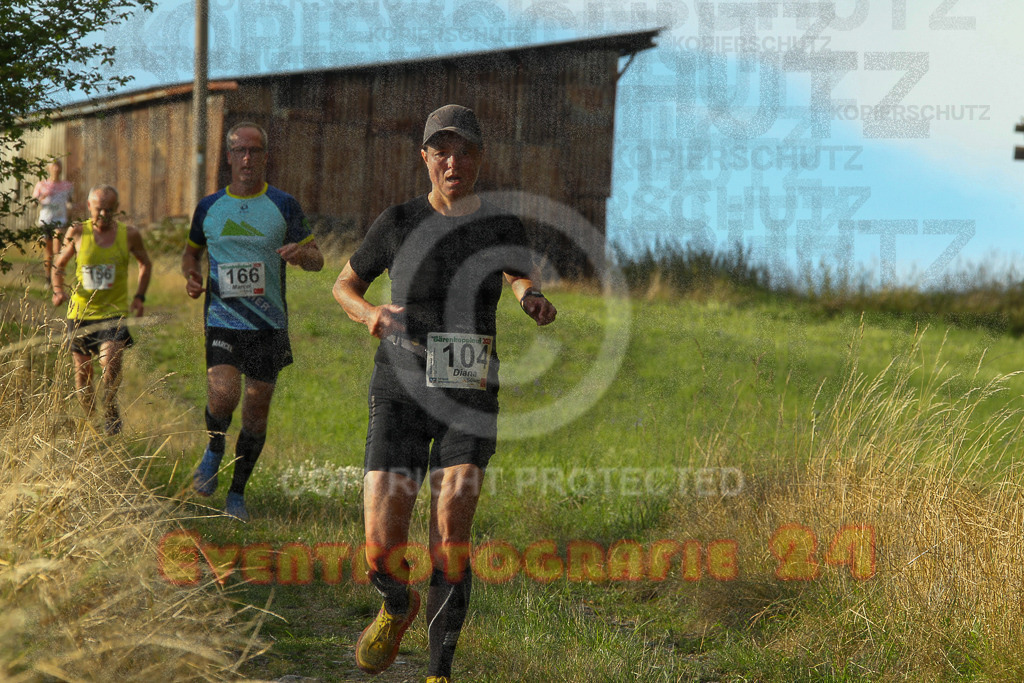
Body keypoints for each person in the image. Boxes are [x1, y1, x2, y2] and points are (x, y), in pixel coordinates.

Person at [333, 104, 556, 683]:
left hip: (470, 390)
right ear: (425, 158)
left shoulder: (501, 223)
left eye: (464, 151)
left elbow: (517, 272)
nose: (452, 162)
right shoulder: (399, 221)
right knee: (381, 547)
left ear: (479, 158)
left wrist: (529, 295)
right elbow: (345, 284)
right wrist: (369, 314)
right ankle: (395, 603)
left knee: (452, 527)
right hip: (401, 387)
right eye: (441, 151)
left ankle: (439, 672)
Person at [183, 121, 324, 522]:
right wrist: (191, 275)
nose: (248, 158)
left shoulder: (284, 205)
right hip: (222, 319)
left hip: (268, 325)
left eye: (255, 151)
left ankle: (236, 495)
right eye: (240, 151)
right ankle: (214, 448)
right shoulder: (210, 207)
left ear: (265, 156)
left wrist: (302, 255)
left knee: (256, 410)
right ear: (228, 156)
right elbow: (190, 253)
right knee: (222, 394)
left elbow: (317, 260)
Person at [51, 184, 151, 435]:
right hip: (81, 313)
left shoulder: (129, 235)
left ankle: (110, 407)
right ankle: (93, 424)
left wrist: (139, 297)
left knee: (110, 362)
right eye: (99, 210)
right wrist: (58, 290)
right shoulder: (77, 232)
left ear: (117, 209)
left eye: (110, 210)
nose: (104, 215)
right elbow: (59, 264)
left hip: (113, 313)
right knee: (83, 376)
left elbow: (145, 264)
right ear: (89, 207)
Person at [33, 159, 75, 281]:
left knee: (58, 248)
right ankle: (48, 277)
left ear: (61, 168)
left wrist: (71, 207)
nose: (56, 168)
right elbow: (33, 203)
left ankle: (57, 275)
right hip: (46, 220)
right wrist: (41, 198)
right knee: (48, 251)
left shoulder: (67, 186)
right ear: (49, 168)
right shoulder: (41, 185)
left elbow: (70, 202)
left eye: (59, 166)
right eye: (54, 166)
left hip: (60, 219)